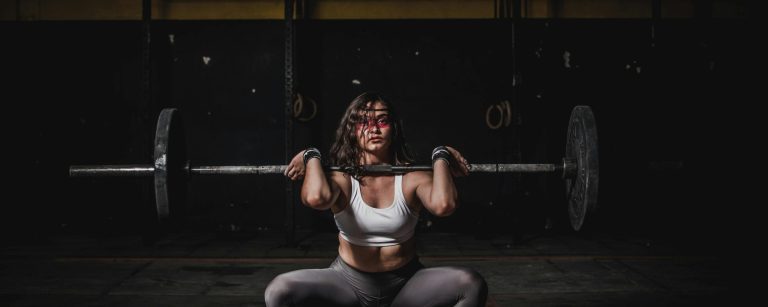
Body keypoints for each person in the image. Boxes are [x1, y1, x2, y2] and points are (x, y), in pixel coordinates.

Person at [265, 92, 488, 307]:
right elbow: (316, 198)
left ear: (394, 129)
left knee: (470, 284)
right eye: (363, 122)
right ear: (351, 131)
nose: (373, 129)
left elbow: (444, 205)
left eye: (382, 121)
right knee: (279, 290)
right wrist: (311, 155)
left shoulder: (412, 179)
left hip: (406, 286)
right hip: (347, 284)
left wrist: (441, 156)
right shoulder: (342, 179)